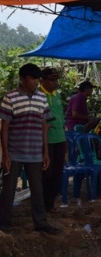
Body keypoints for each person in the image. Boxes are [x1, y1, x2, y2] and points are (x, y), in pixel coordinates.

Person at [0, 63, 60, 235]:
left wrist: (45, 151)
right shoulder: (10, 97)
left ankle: (41, 223)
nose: (35, 82)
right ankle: (3, 224)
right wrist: (5, 154)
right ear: (22, 78)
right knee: (9, 189)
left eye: (37, 78)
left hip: (35, 152)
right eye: (32, 78)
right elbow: (4, 127)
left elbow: (44, 125)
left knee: (37, 189)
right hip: (14, 151)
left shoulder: (42, 98)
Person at [39, 67, 66, 213]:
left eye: (56, 80)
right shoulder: (38, 95)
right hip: (46, 140)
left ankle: (50, 204)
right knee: (46, 173)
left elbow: (61, 117)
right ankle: (42, 203)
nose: (55, 83)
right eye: (52, 80)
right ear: (43, 80)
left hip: (59, 139)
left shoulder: (57, 95)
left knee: (57, 173)